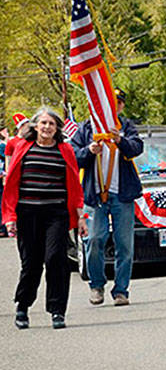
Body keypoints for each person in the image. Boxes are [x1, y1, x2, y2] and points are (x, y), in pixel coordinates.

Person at [3, 108, 87, 329]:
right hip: (27, 214)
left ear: (57, 128)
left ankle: (57, 311)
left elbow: (75, 187)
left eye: (51, 124)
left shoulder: (65, 150)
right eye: (43, 123)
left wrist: (81, 217)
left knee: (55, 259)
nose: (47, 127)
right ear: (35, 127)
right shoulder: (23, 148)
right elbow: (11, 185)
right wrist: (10, 216)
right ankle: (23, 305)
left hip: (56, 214)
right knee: (31, 263)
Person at [71, 89, 143, 306]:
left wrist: (120, 140)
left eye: (118, 103)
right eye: (109, 103)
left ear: (121, 106)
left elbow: (137, 148)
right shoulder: (85, 128)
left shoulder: (126, 126)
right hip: (94, 195)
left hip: (122, 195)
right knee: (93, 240)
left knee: (125, 245)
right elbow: (72, 156)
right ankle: (96, 284)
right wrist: (88, 150)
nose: (115, 107)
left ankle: (121, 290)